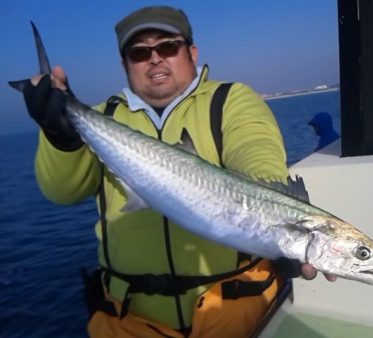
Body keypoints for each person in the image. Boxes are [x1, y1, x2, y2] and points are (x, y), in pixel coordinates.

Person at [22, 6, 334, 338]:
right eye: (139, 53)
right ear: (125, 64)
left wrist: (277, 218)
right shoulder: (102, 118)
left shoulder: (230, 100)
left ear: (192, 52)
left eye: (168, 46)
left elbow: (257, 153)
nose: (154, 59)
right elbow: (61, 191)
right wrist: (60, 136)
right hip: (127, 320)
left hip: (232, 314)